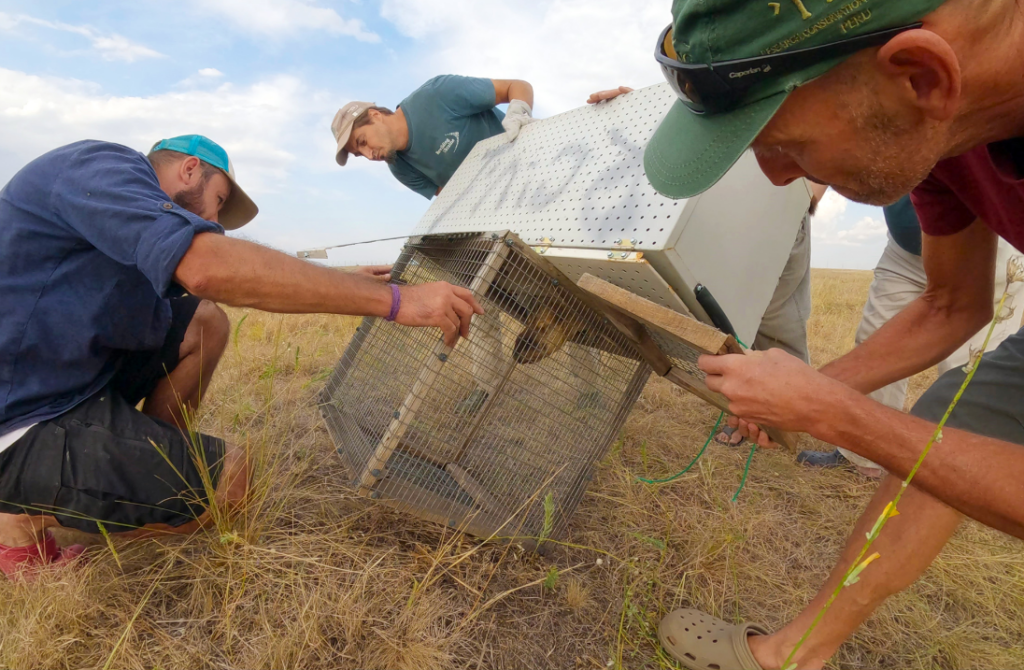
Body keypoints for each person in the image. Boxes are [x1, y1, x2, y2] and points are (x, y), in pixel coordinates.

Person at [641, 0, 1024, 668]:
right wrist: (811, 391)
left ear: (919, 75)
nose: (778, 176)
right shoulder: (939, 127)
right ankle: (797, 654)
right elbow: (949, 303)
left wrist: (836, 414)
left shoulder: (918, 104)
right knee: (946, 418)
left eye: (784, 144)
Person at [0, 135, 483, 579]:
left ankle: (142, 468)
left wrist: (351, 280)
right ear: (190, 170)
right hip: (22, 417)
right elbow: (211, 267)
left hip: (64, 385)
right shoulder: (101, 166)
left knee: (203, 320)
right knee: (232, 481)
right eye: (219, 203)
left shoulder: (118, 231)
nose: (212, 223)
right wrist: (399, 302)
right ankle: (20, 514)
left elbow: (228, 285)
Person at [798, 195, 1021, 477]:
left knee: (971, 369)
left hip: (988, 247)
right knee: (875, 336)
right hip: (908, 245)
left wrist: (808, 395)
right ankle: (864, 458)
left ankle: (957, 476)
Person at [331, 75, 535, 198]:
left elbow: (516, 86)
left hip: (535, 164)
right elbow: (452, 197)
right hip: (508, 200)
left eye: (362, 142)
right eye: (359, 154)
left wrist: (519, 114)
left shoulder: (436, 94)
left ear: (375, 116)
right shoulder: (399, 168)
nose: (368, 155)